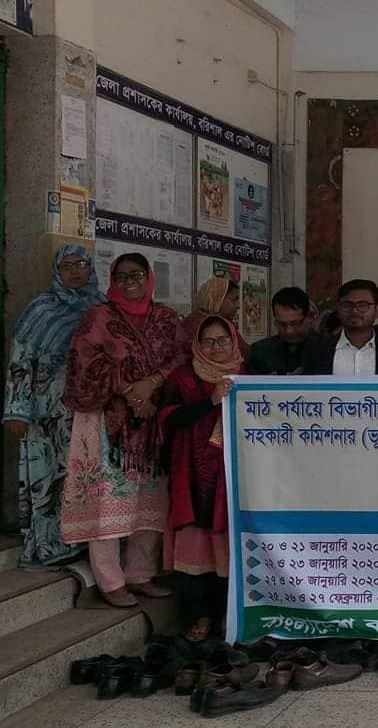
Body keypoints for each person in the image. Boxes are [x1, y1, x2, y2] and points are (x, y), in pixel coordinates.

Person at [63, 253, 185, 608]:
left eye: (136, 275)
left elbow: (180, 357)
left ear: (149, 277)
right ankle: (110, 580)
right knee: (109, 500)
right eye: (121, 276)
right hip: (108, 423)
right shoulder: (99, 317)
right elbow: (83, 362)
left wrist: (151, 383)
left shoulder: (166, 318)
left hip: (153, 425)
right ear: (112, 281)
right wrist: (130, 392)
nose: (130, 282)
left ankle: (140, 574)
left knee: (150, 500)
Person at [3, 245, 104, 567]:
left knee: (82, 475)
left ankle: (83, 541)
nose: (74, 270)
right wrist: (16, 410)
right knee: (47, 477)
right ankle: (48, 544)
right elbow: (20, 361)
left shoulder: (101, 308)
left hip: (88, 411)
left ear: (90, 268)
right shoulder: (40, 310)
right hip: (45, 412)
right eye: (66, 265)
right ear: (57, 271)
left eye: (81, 264)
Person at [159, 316, 242, 641]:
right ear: (197, 344)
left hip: (233, 476)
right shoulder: (183, 377)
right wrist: (210, 401)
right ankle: (199, 615)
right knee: (196, 550)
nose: (216, 347)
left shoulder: (247, 375)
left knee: (230, 549)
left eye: (222, 340)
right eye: (208, 341)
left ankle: (227, 615)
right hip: (192, 473)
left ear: (233, 341)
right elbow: (170, 419)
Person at [301, 279, 378, 375]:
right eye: (347, 305)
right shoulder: (317, 349)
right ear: (338, 309)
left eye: (362, 305)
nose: (354, 311)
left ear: (377, 310)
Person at [245, 287, 319, 375]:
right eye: (282, 324)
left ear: (309, 318)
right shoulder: (261, 351)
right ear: (275, 321)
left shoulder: (327, 349)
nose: (289, 331)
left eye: (295, 323)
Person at [181, 277, 247, 358]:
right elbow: (246, 355)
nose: (238, 306)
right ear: (217, 299)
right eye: (234, 300)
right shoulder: (210, 325)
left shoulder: (193, 319)